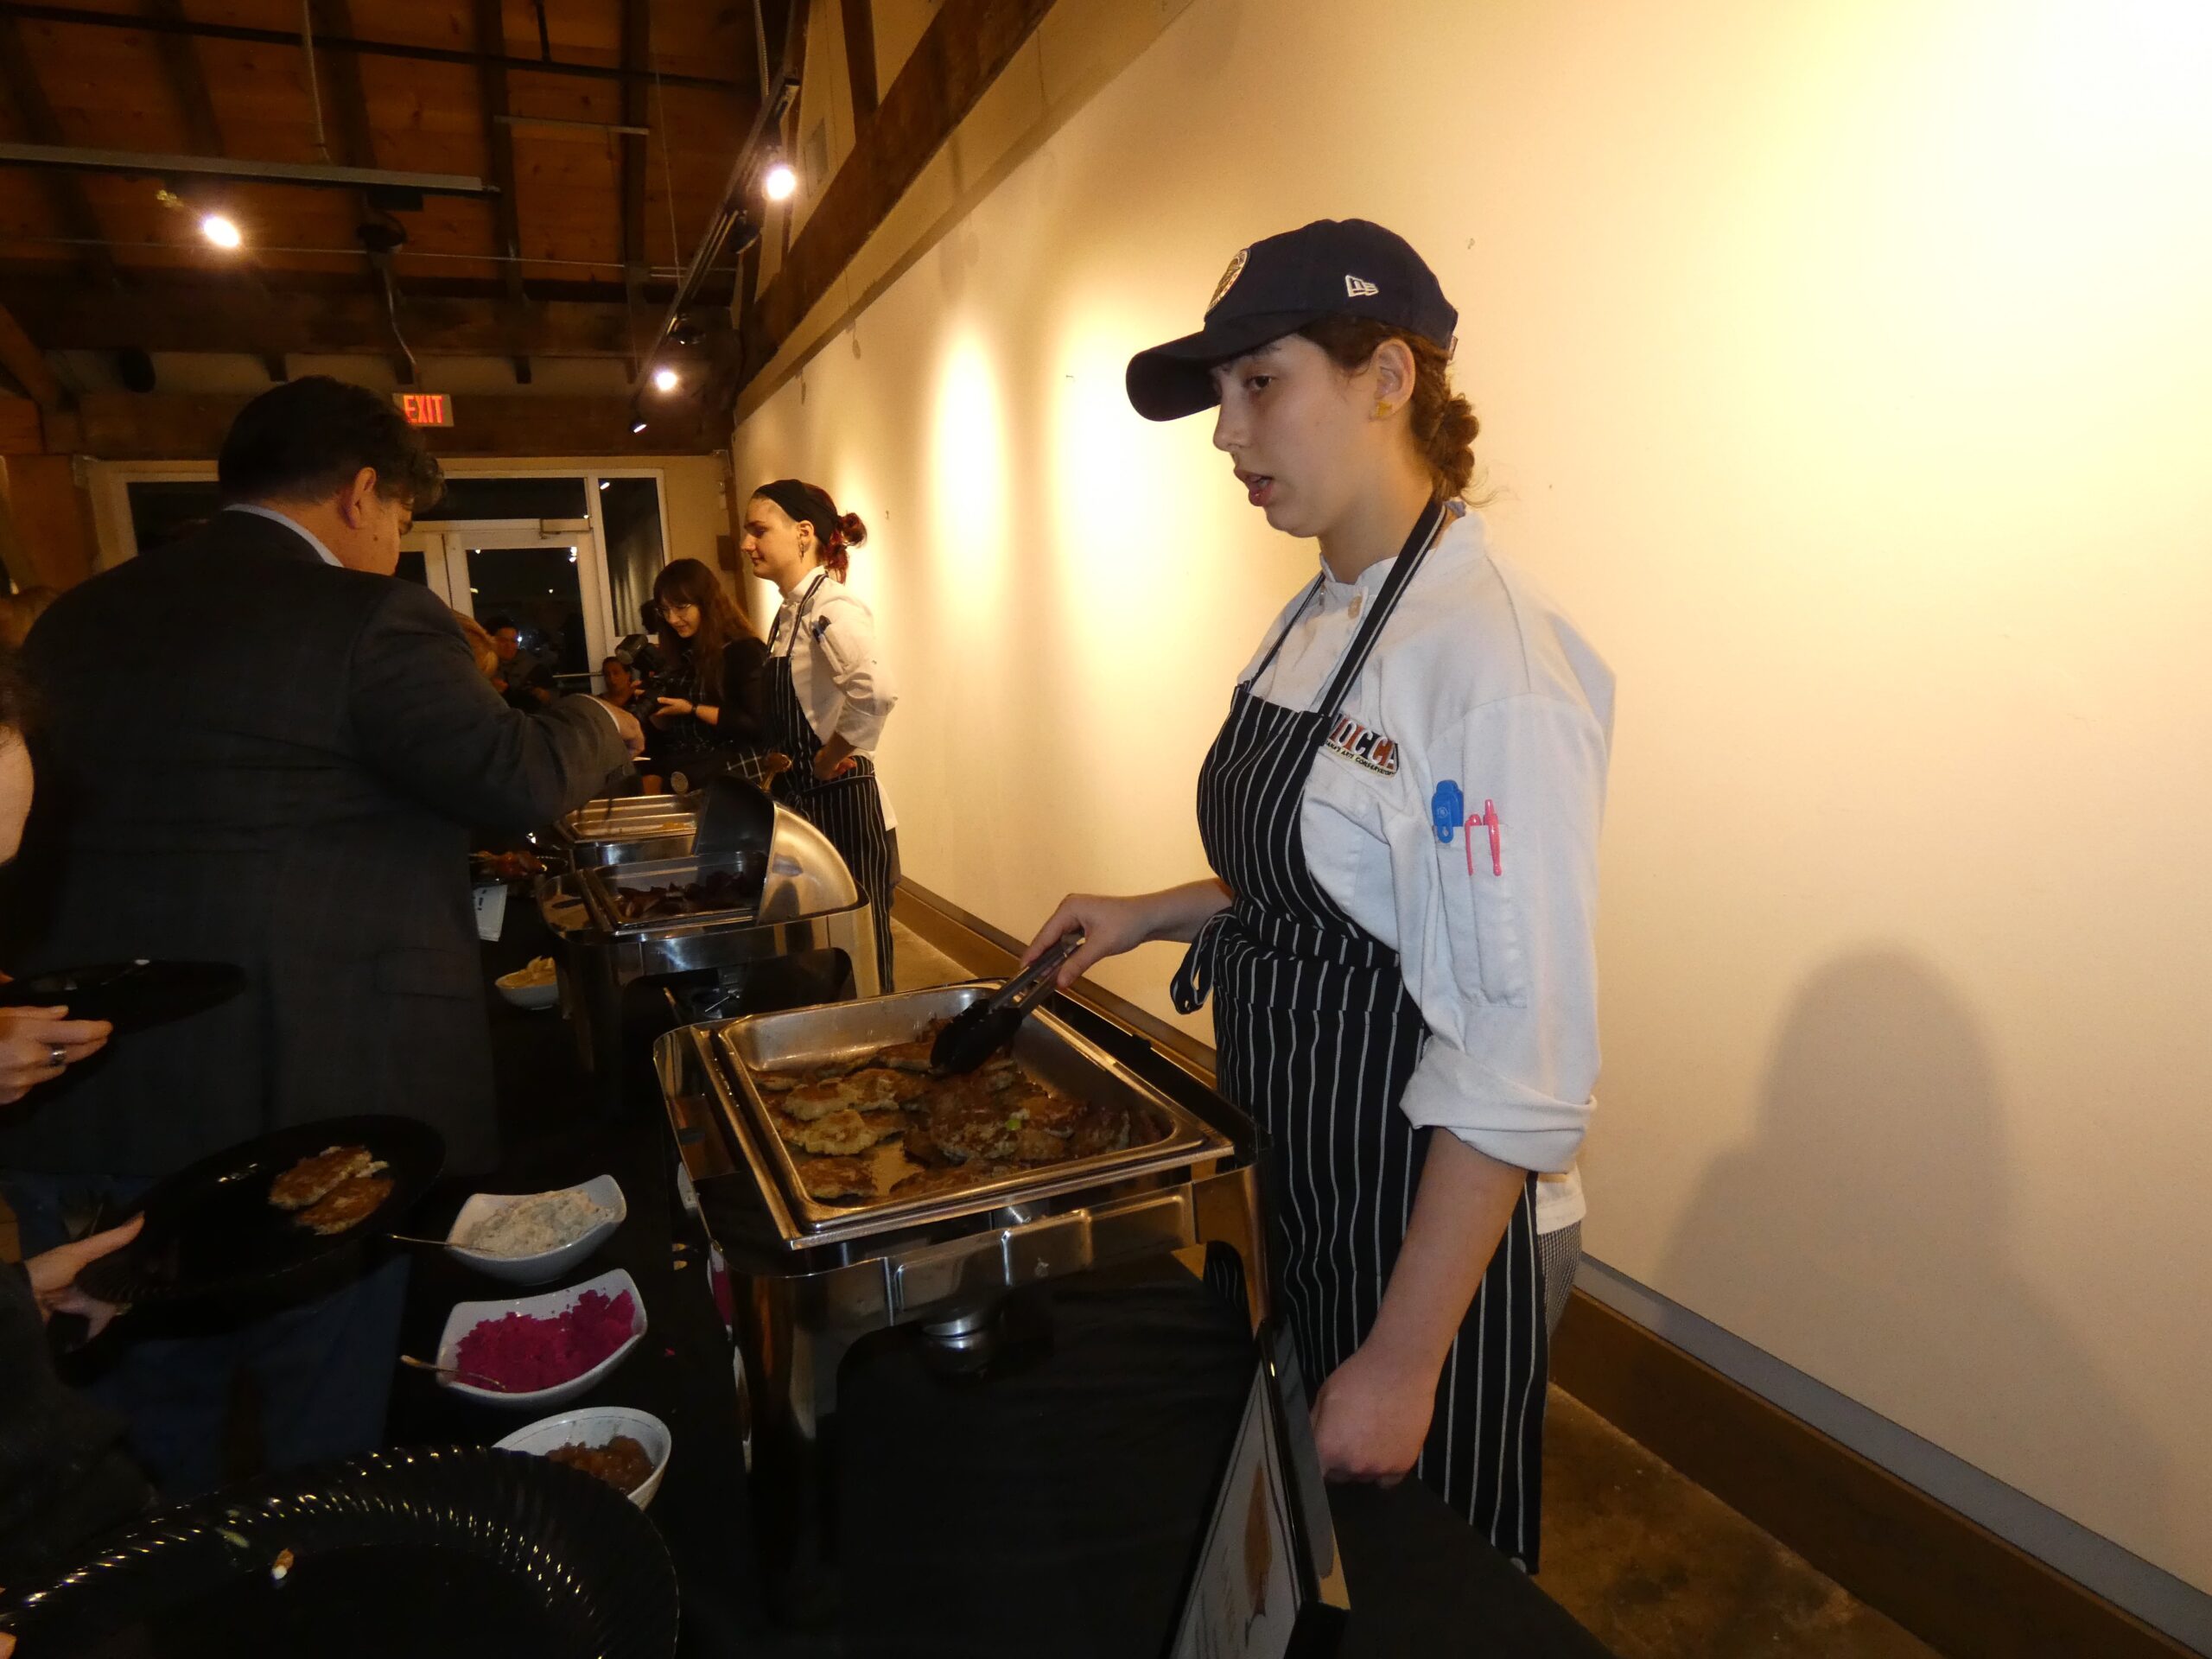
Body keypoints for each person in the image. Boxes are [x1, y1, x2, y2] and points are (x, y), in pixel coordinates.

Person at [1025, 221, 1612, 1570]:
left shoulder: (1492, 667)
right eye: (1219, 395)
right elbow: (1335, 880)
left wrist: (1405, 1362)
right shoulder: (1322, 610)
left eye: (1260, 383)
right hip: (1314, 1180)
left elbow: (1517, 1054)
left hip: (1433, 1233)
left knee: (1423, 1586)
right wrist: (1152, 913)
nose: (1226, 434)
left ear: (1388, 379)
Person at [0, 375, 643, 1496]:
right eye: (400, 518)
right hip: (303, 1099)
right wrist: (604, 719)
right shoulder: (368, 617)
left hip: (77, 1094)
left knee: (136, 1449)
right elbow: (513, 776)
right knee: (323, 1433)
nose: (394, 543)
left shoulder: (77, 619)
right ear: (361, 493)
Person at [741, 481, 902, 988]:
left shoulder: (830, 607)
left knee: (860, 957)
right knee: (823, 958)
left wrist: (831, 756)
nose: (747, 544)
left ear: (803, 533)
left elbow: (875, 692)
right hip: (810, 810)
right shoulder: (791, 612)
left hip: (845, 809)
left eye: (758, 530)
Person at [646, 558, 779, 789]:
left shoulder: (743, 650)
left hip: (734, 778)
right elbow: (670, 736)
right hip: (688, 774)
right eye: (665, 610)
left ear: (706, 603)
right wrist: (657, 712)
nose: (672, 619)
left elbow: (758, 724)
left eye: (681, 607)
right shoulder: (680, 654)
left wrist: (693, 709)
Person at [485, 614, 556, 709]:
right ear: (489, 640)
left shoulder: (534, 667)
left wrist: (543, 695)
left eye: (513, 641)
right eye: (503, 640)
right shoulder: (482, 667)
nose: (509, 646)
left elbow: (553, 699)